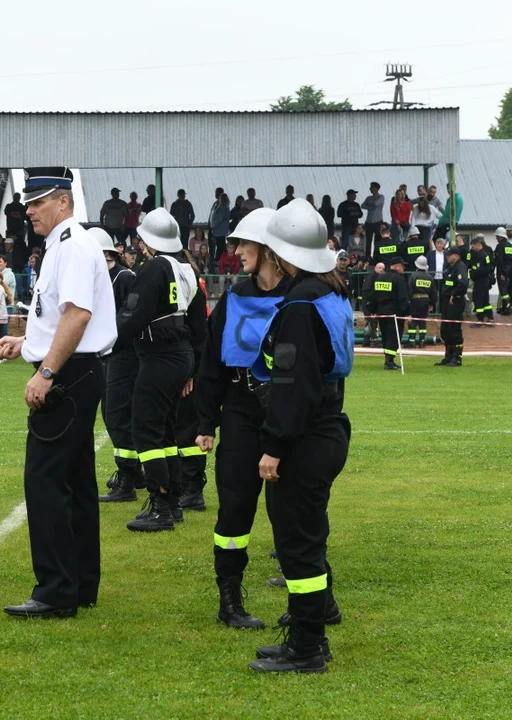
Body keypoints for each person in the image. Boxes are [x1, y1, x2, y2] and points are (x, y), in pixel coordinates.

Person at [213, 199, 353, 674]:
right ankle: (308, 634)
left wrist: (274, 445)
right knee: (305, 539)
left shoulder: (297, 306)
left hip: (305, 435)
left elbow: (293, 388)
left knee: (297, 545)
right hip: (326, 427)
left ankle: (307, 647)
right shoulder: (329, 293)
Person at [0, 167, 116, 619]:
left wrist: (45, 370)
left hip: (69, 376)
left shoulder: (74, 246)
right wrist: (24, 344)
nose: (29, 210)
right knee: (75, 481)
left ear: (63, 201)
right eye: (28, 202)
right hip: (77, 371)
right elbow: (56, 317)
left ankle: (56, 590)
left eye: (38, 201)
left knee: (45, 481)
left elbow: (78, 316)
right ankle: (79, 582)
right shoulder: (62, 247)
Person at [194, 208, 289, 630]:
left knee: (294, 509)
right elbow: (212, 361)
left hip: (287, 414)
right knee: (234, 507)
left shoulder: (303, 295)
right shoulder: (233, 296)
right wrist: (204, 422)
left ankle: (312, 598)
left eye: (243, 244)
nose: (236, 251)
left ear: (268, 249)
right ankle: (229, 600)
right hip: (238, 411)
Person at [111, 209, 206, 532]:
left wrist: (102, 342)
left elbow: (132, 316)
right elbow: (199, 326)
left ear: (147, 241)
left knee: (146, 430)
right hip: (181, 357)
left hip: (157, 357)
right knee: (166, 430)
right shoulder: (188, 270)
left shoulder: (153, 269)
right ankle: (174, 501)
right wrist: (193, 368)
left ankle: (161, 506)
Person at [89, 228, 143, 503]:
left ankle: (129, 478)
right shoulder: (102, 279)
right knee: (112, 413)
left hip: (124, 354)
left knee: (118, 413)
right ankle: (132, 473)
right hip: (108, 355)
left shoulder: (124, 278)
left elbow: (130, 317)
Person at [367, 255, 410, 370]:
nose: (403, 269)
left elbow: (373, 296)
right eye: (402, 266)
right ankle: (389, 361)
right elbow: (403, 298)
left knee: (385, 336)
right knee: (394, 337)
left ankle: (388, 360)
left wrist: (373, 310)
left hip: (381, 313)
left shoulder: (380, 278)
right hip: (395, 313)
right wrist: (407, 312)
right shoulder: (399, 279)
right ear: (397, 266)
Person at [436, 246, 468, 367]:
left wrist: (454, 294)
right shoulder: (450, 268)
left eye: (449, 255)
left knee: (454, 330)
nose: (447, 257)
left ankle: (457, 357)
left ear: (456, 255)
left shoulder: (460, 267)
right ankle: (448, 356)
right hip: (446, 303)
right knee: (446, 330)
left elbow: (463, 283)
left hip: (455, 303)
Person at [408, 256, 436, 349]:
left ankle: (411, 341)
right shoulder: (429, 277)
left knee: (413, 321)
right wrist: (431, 304)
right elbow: (433, 292)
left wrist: (408, 301)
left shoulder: (413, 275)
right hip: (426, 301)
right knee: (422, 321)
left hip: (415, 300)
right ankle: (422, 342)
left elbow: (410, 290)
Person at [468, 235, 494, 326]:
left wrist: (473, 275)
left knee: (478, 301)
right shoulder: (485, 254)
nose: (472, 248)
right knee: (486, 301)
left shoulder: (480, 255)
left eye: (473, 246)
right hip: (485, 281)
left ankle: (480, 321)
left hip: (480, 281)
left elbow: (481, 270)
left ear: (478, 245)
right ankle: (490, 319)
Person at [493, 226, 512, 316]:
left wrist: (500, 272)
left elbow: (499, 260)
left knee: (503, 291)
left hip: (502, 272)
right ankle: (504, 308)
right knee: (507, 290)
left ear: (500, 237)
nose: (496, 238)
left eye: (497, 237)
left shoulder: (500, 246)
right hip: (511, 271)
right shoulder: (510, 245)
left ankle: (507, 308)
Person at [362, 182, 385, 255]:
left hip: (378, 221)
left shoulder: (381, 197)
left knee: (377, 241)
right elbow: (362, 205)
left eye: (372, 187)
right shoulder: (368, 198)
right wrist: (370, 206)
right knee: (368, 241)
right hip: (369, 222)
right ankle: (368, 256)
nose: (370, 189)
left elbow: (376, 203)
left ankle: (376, 256)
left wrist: (369, 204)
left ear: (377, 188)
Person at [209, 190, 231, 261]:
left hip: (219, 230)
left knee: (220, 245)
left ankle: (219, 258)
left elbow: (219, 218)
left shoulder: (223, 207)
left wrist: (213, 225)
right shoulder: (219, 206)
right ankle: (219, 258)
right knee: (220, 245)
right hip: (219, 230)